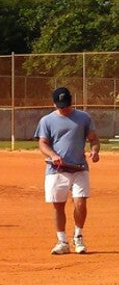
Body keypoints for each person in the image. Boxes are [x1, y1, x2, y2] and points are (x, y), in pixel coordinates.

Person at [34, 87, 100, 255]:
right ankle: (62, 241)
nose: (64, 108)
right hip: (57, 169)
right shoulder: (46, 121)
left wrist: (95, 151)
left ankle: (78, 236)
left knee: (80, 202)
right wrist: (53, 155)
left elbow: (93, 139)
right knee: (58, 206)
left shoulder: (83, 118)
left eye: (66, 104)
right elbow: (43, 143)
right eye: (60, 105)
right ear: (54, 103)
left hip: (79, 168)